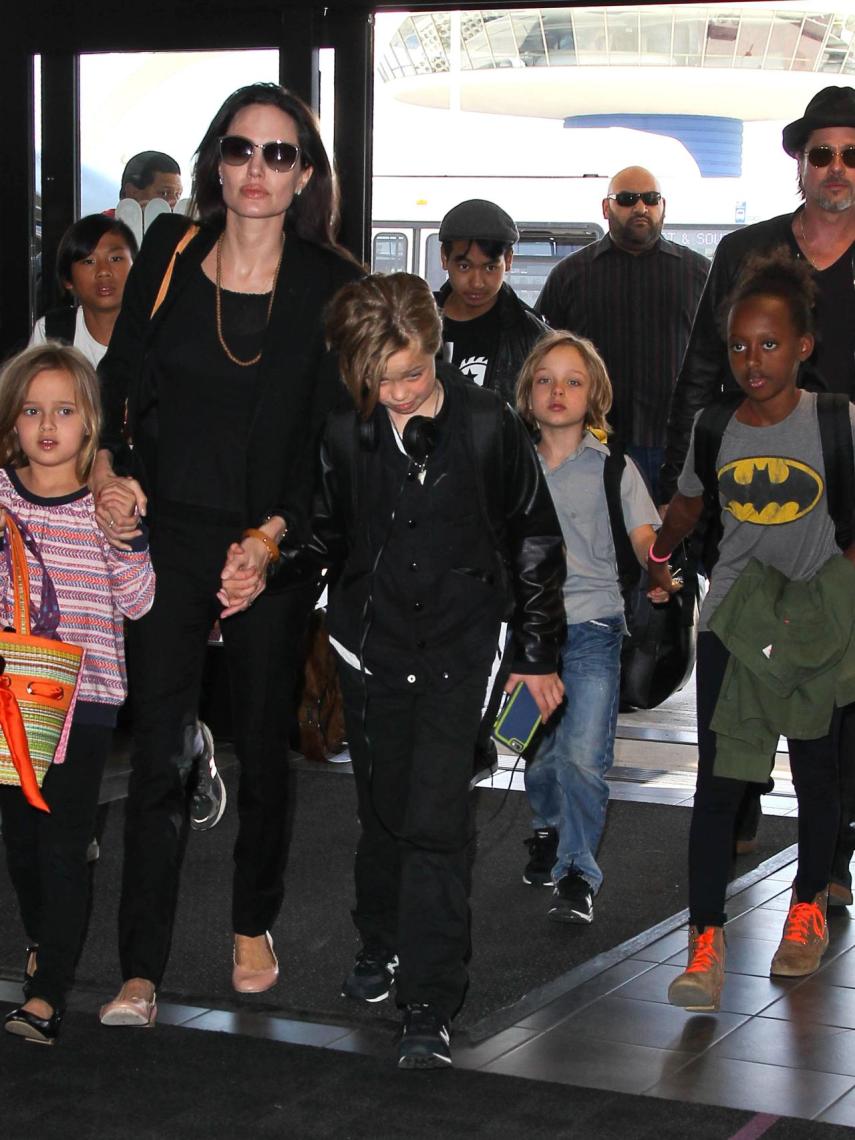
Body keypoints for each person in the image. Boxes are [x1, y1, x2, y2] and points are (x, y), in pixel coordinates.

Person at [93, 82, 363, 1028]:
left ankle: (253, 921)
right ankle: (140, 965)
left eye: (279, 154)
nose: (257, 170)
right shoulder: (167, 251)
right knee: (159, 750)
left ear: (305, 176)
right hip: (164, 532)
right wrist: (107, 472)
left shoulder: (332, 284)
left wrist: (272, 539)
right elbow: (119, 383)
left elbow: (335, 442)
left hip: (270, 541)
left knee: (262, 745)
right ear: (216, 159)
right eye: (241, 149)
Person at [303, 272, 565, 1068]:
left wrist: (534, 655)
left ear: (439, 350)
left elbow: (534, 543)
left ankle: (429, 1001)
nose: (398, 393)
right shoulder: (345, 431)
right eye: (379, 380)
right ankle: (379, 940)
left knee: (436, 824)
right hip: (368, 652)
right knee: (384, 809)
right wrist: (264, 558)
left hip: (459, 652)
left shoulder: (487, 426)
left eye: (412, 374)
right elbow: (322, 536)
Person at [660, 84, 855, 899]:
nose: (837, 169)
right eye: (822, 154)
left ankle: (829, 857)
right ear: (798, 163)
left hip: (840, 515)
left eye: (851, 155)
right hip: (749, 503)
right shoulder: (745, 250)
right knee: (732, 691)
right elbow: (702, 377)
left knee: (836, 707)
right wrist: (684, 504)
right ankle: (736, 813)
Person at [649, 251, 853, 1012]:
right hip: (734, 627)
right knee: (718, 785)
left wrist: (838, 593)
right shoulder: (712, 426)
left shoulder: (833, 423)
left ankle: (806, 909)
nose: (750, 360)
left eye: (768, 344)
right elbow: (687, 508)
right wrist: (657, 561)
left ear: (803, 346)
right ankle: (705, 938)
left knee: (817, 773)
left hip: (815, 627)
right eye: (738, 345)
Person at [0, 344, 154, 1045]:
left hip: (84, 700)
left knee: (63, 844)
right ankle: (43, 941)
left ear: (90, 423)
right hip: (11, 698)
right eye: (32, 411)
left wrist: (126, 538)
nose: (47, 425)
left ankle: (47, 990)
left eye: (63, 410)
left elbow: (141, 602)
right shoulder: (1, 496)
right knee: (22, 841)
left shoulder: (105, 507)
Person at [514, 331, 665, 923]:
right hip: (527, 634)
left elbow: (645, 536)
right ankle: (548, 828)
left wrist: (661, 568)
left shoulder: (613, 467)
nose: (559, 391)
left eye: (573, 381)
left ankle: (578, 870)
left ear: (593, 395)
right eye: (546, 379)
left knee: (582, 754)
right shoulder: (512, 466)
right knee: (536, 749)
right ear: (528, 393)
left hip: (594, 627)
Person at [536, 167, 709, 503]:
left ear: (663, 206)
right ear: (606, 208)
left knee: (669, 549)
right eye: (628, 199)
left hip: (676, 447)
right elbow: (543, 356)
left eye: (651, 199)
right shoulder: (570, 276)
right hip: (591, 444)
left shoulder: (698, 274)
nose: (640, 208)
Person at [434, 198, 548, 405]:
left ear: (509, 260)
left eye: (490, 268)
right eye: (464, 267)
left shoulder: (533, 338)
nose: (477, 283)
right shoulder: (414, 323)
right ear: (444, 257)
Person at [30, 215, 138, 368]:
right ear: (68, 280)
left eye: (115, 259)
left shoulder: (156, 332)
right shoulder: (51, 333)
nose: (103, 271)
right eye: (89, 261)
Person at [117, 151, 183, 211]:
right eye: (164, 193)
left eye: (178, 194)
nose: (175, 202)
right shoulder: (108, 224)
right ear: (133, 192)